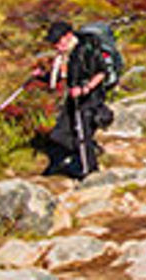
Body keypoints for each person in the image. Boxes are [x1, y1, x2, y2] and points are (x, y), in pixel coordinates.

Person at [42, 20, 110, 179]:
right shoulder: (66, 54)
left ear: (68, 36)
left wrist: (85, 88)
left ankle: (90, 172)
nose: (56, 46)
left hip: (90, 97)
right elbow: (63, 75)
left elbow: (101, 72)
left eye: (58, 41)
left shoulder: (86, 49)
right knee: (59, 134)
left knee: (82, 133)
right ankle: (81, 156)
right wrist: (43, 77)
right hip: (73, 97)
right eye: (54, 43)